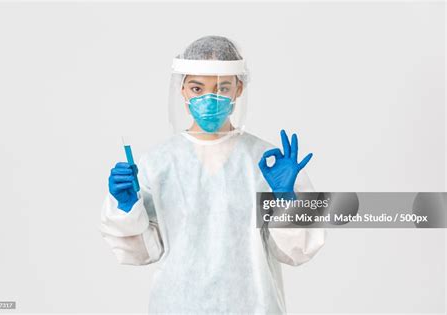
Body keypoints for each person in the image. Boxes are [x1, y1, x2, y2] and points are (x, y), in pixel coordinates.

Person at [100, 35, 326, 314]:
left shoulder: (269, 163)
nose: (209, 98)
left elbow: (297, 252)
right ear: (182, 89)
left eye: (222, 88)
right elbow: (142, 252)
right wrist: (125, 208)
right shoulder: (159, 163)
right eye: (197, 88)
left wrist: (287, 200)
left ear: (238, 89)